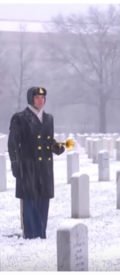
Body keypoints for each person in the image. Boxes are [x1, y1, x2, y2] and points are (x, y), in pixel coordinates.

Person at [8, 86, 65, 239]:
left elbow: (47, 140)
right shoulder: (20, 118)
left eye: (43, 98)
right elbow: (12, 143)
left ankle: (41, 234)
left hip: (44, 167)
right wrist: (15, 164)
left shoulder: (48, 118)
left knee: (44, 200)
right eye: (37, 98)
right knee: (30, 200)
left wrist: (58, 146)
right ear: (30, 99)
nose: (41, 101)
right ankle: (32, 235)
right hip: (27, 166)